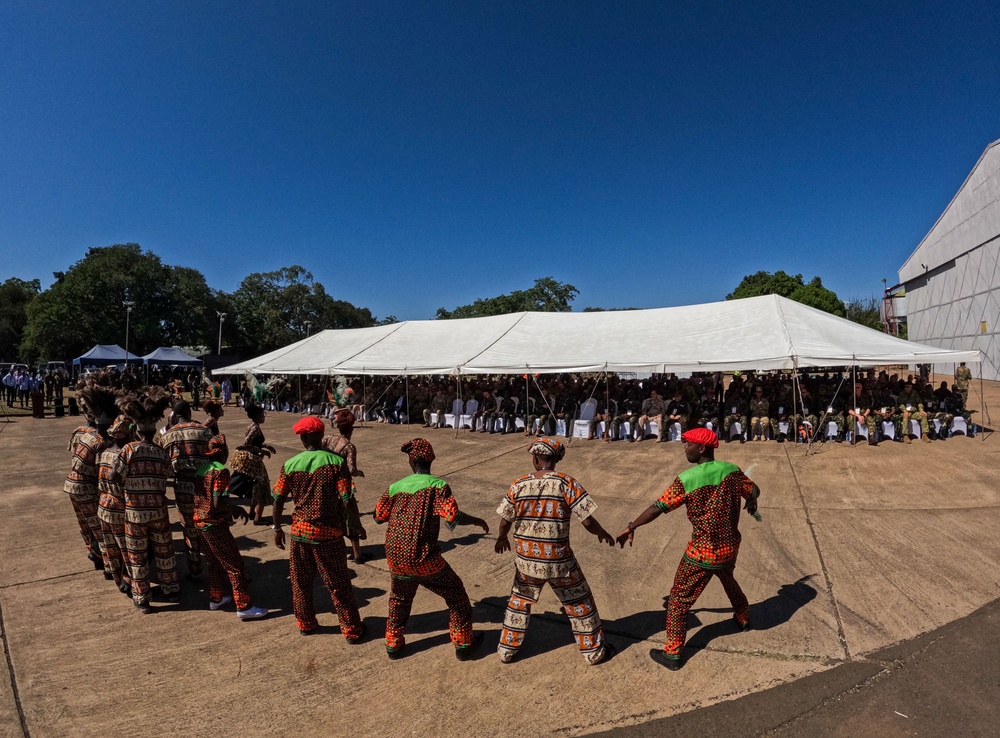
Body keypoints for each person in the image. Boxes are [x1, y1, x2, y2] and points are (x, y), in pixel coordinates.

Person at [617, 428, 760, 670]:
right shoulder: (732, 471)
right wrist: (752, 501)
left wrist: (632, 526)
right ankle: (743, 617)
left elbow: (657, 508)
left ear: (702, 448)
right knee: (727, 578)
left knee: (678, 601)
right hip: (729, 547)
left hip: (702, 552)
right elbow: (754, 490)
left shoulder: (687, 480)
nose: (685, 448)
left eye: (688, 444)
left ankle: (672, 653)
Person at [495, 438, 616, 665]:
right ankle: (593, 652)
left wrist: (502, 538)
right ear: (557, 459)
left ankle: (506, 651)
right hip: (559, 561)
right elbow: (588, 522)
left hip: (527, 561)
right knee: (580, 602)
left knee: (519, 603)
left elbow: (504, 520)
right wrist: (602, 533)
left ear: (535, 459)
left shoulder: (518, 484)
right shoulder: (567, 483)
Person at [374, 439, 489, 660]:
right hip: (423, 557)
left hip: (396, 556)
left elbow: (378, 517)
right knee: (457, 597)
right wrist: (477, 520)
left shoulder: (395, 487)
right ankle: (464, 644)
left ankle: (393, 645)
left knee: (399, 599)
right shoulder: (437, 486)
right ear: (431, 459)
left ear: (410, 460)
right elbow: (453, 516)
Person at [271, 416, 365, 640]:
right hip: (328, 534)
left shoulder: (290, 464)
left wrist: (276, 528)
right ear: (321, 436)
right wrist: (357, 524)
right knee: (339, 583)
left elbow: (277, 499)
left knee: (301, 582)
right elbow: (347, 499)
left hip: (300, 533)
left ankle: (306, 623)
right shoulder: (335, 463)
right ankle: (351, 629)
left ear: (304, 438)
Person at [116, 388, 181, 613]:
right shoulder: (161, 451)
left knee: (138, 555)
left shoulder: (128, 450)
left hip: (135, 513)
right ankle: (171, 589)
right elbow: (170, 475)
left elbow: (116, 476)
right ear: (154, 429)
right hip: (159, 511)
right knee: (164, 550)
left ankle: (142, 598)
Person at [193, 434, 267, 619]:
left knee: (214, 562)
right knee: (235, 565)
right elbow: (218, 502)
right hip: (214, 524)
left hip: (199, 523)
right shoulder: (220, 471)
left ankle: (216, 598)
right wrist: (236, 508)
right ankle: (244, 606)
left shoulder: (201, 469)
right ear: (223, 452)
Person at [161, 400, 212, 578]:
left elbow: (165, 468)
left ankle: (195, 568)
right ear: (189, 412)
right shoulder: (203, 430)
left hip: (182, 486)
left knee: (189, 527)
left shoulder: (167, 435)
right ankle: (216, 566)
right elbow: (217, 456)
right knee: (209, 524)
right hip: (205, 484)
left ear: (174, 415)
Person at [322, 409, 368, 563]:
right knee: (349, 515)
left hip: (326, 482)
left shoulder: (328, 439)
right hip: (341, 483)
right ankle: (357, 554)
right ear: (352, 429)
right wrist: (359, 473)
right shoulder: (349, 447)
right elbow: (351, 470)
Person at [229, 403, 275, 525]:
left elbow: (253, 443)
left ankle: (252, 513)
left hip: (254, 461)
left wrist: (264, 445)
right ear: (257, 416)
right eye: (262, 415)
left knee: (256, 487)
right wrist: (261, 451)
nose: (263, 417)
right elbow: (246, 445)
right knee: (262, 487)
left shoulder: (252, 426)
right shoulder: (255, 428)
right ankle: (258, 518)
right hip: (254, 462)